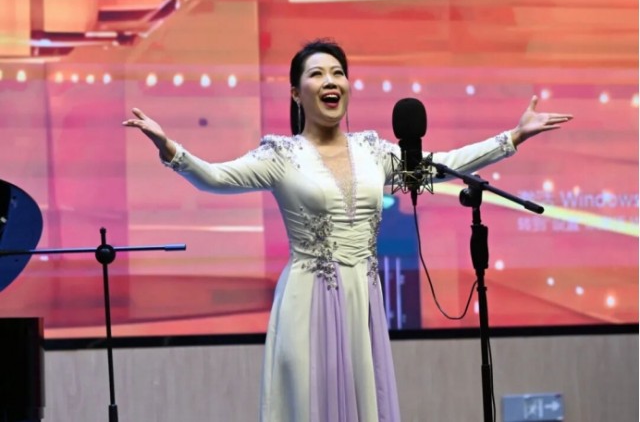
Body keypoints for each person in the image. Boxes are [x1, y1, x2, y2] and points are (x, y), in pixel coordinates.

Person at [123, 38, 572, 422]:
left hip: (362, 297)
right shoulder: (280, 155)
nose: (331, 81)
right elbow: (216, 177)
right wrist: (171, 149)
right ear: (296, 93)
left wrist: (512, 138)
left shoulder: (372, 150)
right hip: (306, 299)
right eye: (317, 74)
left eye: (338, 73)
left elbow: (443, 165)